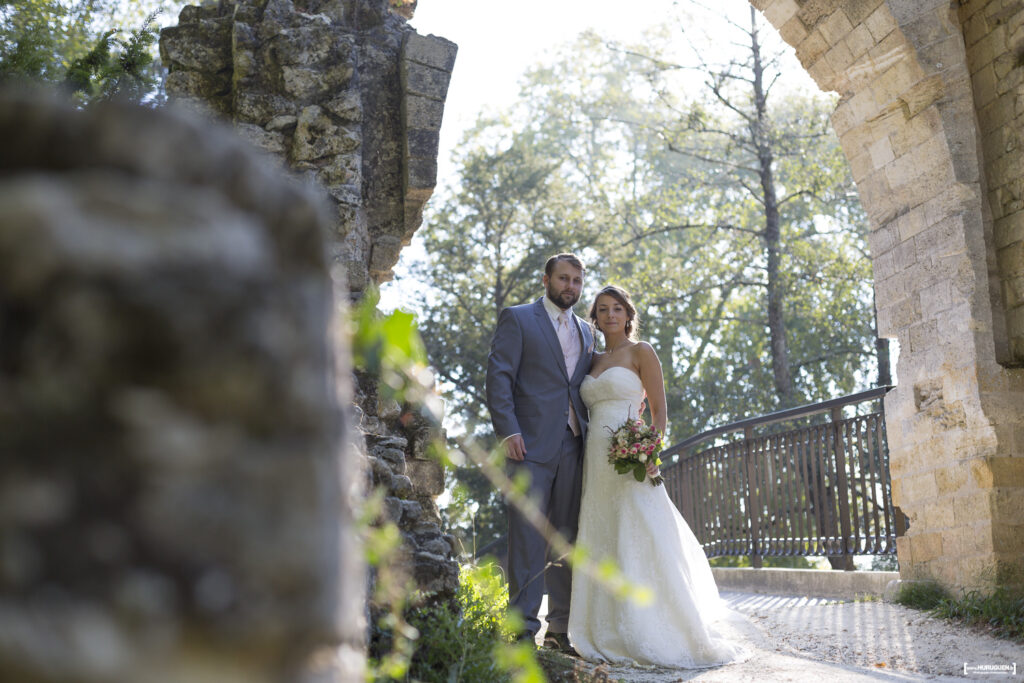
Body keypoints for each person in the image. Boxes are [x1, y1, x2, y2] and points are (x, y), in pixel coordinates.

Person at [568, 285, 749, 668]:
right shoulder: (591, 360)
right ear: (595, 318)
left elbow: (660, 413)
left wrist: (650, 452)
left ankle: (655, 627)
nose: (611, 315)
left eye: (617, 308)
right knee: (602, 534)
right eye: (602, 310)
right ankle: (603, 628)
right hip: (596, 464)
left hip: (629, 456)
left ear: (628, 314)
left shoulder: (642, 352)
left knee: (640, 532)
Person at [486, 253, 595, 652]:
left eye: (577, 281)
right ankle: (521, 629)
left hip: (574, 445)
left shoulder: (587, 331)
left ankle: (560, 630)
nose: (570, 287)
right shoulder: (518, 319)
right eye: (564, 279)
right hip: (527, 445)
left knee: (567, 537)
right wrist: (508, 430)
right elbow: (499, 377)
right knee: (528, 536)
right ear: (546, 279)